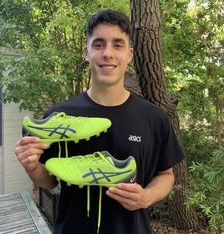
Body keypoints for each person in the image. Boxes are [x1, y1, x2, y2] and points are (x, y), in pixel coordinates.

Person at [15, 9, 184, 234]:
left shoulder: (154, 117)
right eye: (98, 44)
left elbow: (166, 175)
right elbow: (50, 181)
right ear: (86, 52)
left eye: (117, 44)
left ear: (130, 54)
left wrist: (146, 197)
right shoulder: (59, 115)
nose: (108, 54)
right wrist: (32, 166)